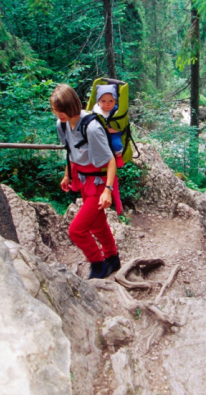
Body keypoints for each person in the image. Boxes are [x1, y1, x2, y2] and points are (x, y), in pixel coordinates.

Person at [51, 84, 121, 279]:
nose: (59, 115)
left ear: (72, 105)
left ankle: (98, 263)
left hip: (99, 182)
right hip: (83, 180)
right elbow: (71, 153)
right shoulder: (62, 124)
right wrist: (67, 175)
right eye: (56, 111)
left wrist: (107, 190)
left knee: (76, 230)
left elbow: (110, 160)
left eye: (62, 110)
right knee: (98, 225)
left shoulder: (91, 128)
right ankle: (113, 259)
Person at [92, 84, 124, 159]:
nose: (107, 104)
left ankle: (118, 157)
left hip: (113, 132)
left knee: (116, 143)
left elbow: (120, 127)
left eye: (111, 101)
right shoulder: (96, 111)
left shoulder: (117, 111)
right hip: (99, 133)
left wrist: (109, 130)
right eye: (103, 101)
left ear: (115, 102)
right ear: (98, 102)